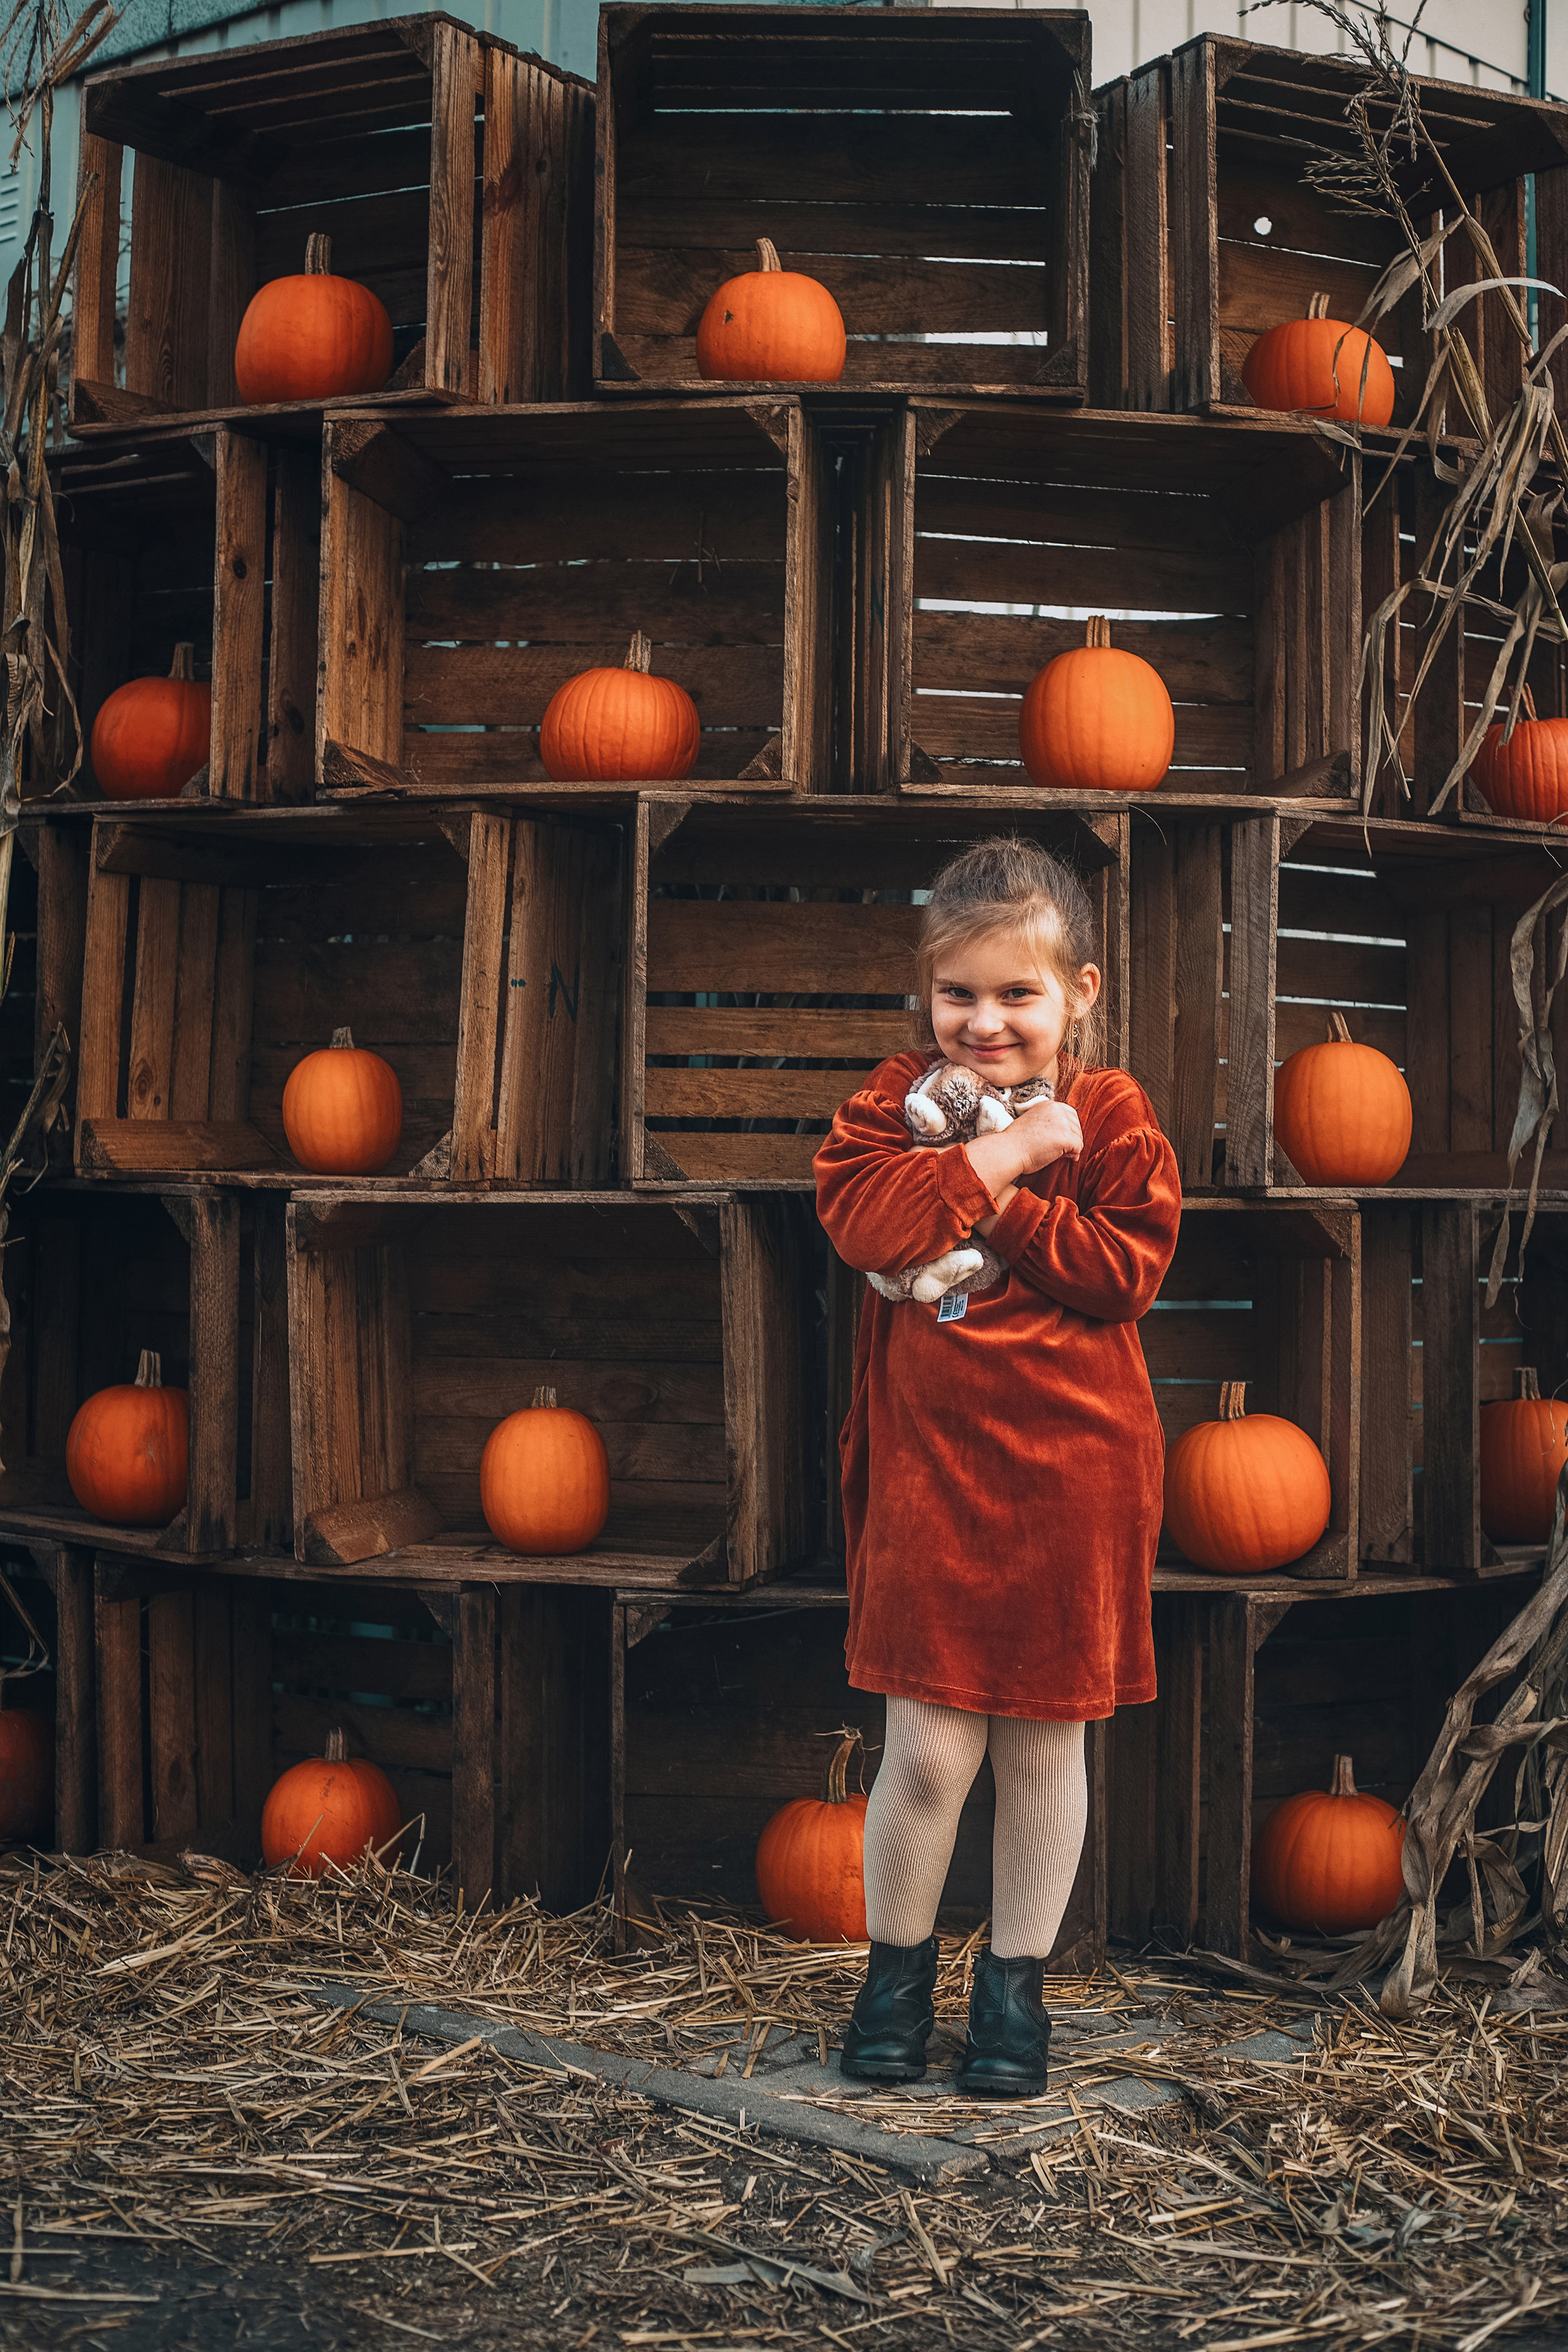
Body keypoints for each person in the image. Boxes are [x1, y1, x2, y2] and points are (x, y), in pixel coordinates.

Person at [813, 836, 1181, 2096]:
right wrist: (1009, 1156)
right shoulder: (888, 1106)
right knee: (924, 1747)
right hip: (931, 1469)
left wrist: (997, 1206)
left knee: (1039, 1748)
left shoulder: (1117, 1115)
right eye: (957, 994)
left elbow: (1120, 1274)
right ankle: (895, 1975)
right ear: (926, 996)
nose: (984, 1022)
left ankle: (1013, 1992)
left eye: (1015, 995)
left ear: (1075, 992)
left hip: (1076, 1474)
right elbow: (863, 1219)